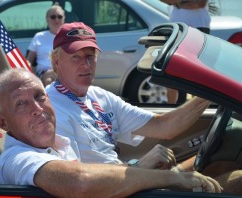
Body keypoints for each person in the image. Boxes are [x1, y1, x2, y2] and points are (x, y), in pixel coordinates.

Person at [0, 68, 222, 196]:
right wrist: (172, 178)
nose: (37, 109)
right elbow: (79, 181)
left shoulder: (58, 144)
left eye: (39, 96)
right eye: (20, 104)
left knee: (223, 166)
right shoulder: (16, 158)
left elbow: (92, 180)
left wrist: (138, 169)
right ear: (3, 122)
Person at [46, 22, 212, 169]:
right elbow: (77, 177)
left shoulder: (100, 97)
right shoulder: (50, 108)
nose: (86, 64)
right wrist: (138, 167)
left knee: (217, 166)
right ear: (56, 62)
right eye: (76, 57)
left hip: (123, 179)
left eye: (90, 56)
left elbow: (163, 126)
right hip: (106, 188)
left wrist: (209, 92)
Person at [160, 0, 212, 103]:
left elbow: (199, 3)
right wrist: (183, 2)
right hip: (177, 29)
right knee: (172, 70)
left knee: (197, 73)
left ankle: (195, 112)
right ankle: (172, 110)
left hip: (198, 28)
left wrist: (178, 3)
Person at [26, 4, 64, 80]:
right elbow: (29, 60)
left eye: (59, 17)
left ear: (63, 19)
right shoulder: (39, 37)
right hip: (44, 73)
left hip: (64, 71)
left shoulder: (68, 36)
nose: (56, 19)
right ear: (47, 19)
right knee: (49, 80)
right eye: (53, 17)